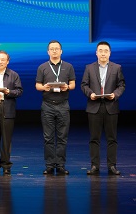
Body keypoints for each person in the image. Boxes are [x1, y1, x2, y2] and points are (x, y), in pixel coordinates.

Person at [81, 40, 126, 176]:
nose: (103, 53)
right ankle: (94, 166)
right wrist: (90, 94)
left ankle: (112, 166)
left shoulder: (117, 68)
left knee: (112, 138)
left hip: (111, 107)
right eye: (100, 51)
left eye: (106, 51)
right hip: (94, 106)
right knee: (94, 138)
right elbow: (84, 85)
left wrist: (115, 94)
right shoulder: (89, 68)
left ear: (110, 53)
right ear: (96, 53)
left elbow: (121, 85)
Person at [35, 40, 76, 175]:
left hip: (63, 104)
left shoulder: (68, 66)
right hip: (47, 105)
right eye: (52, 49)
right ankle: (49, 165)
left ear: (61, 51)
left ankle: (61, 165)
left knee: (62, 137)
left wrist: (67, 87)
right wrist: (44, 87)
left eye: (57, 49)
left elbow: (73, 84)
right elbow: (37, 85)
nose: (54, 51)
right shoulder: (42, 67)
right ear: (48, 52)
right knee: (48, 137)